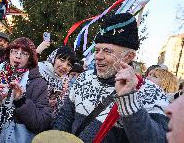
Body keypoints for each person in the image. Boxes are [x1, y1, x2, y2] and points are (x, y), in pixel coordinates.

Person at [53, 13, 169, 142]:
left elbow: (159, 140)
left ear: (129, 56)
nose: (98, 56)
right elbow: (65, 117)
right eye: (97, 50)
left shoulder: (151, 92)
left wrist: (129, 100)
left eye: (107, 51)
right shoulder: (83, 78)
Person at [0, 37, 52, 142]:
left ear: (30, 59)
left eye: (24, 53)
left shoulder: (38, 84)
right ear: (9, 54)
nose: (18, 55)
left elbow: (41, 123)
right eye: (14, 51)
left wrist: (21, 102)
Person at [38, 46, 77, 116]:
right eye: (62, 60)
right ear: (54, 58)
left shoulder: (64, 81)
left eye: (69, 64)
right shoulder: (38, 70)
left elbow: (63, 107)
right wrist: (45, 103)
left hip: (47, 122)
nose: (64, 66)